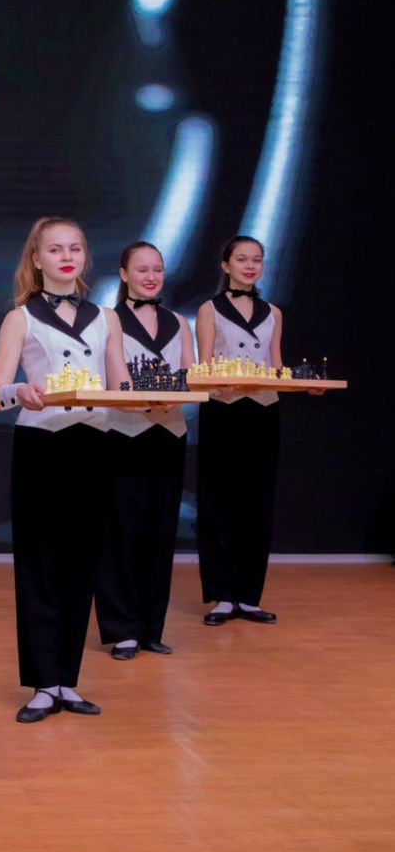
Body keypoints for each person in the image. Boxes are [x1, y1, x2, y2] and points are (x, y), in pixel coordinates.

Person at [0, 217, 130, 724]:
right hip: (42, 445)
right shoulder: (20, 318)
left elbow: (120, 384)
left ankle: (67, 680)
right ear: (36, 259)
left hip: (93, 443)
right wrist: (19, 391)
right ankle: (42, 683)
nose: (66, 257)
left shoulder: (106, 317)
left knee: (82, 562)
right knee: (39, 563)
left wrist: (149, 399)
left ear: (84, 256)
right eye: (55, 249)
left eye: (74, 248)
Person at [97, 241, 193, 659]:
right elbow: (108, 380)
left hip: (170, 433)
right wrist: (142, 402)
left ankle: (152, 627)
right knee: (121, 532)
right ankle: (122, 629)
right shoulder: (108, 320)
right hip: (123, 434)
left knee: (161, 532)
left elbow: (191, 372)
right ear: (124, 274)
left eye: (157, 269)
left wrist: (175, 397)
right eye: (142, 269)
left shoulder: (179, 322)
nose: (151, 277)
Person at [194, 235, 283, 627]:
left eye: (256, 260)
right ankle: (222, 595)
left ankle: (248, 596)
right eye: (242, 259)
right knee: (220, 502)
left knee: (258, 504)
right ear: (225, 265)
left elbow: (276, 367)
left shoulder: (273, 312)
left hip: (263, 412)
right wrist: (220, 386)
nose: (250, 266)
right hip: (224, 411)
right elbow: (203, 368)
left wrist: (303, 384)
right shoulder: (210, 310)